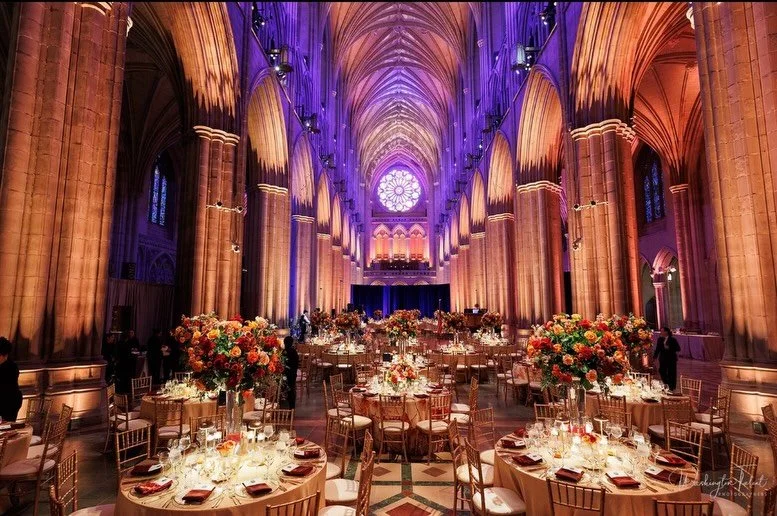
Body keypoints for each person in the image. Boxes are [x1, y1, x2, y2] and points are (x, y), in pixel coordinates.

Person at [0, 337, 23, 422]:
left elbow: (6, 390)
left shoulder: (12, 368)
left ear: (4, 355)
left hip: (9, 405)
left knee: (6, 428)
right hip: (5, 402)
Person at [654, 326, 680, 391]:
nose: (661, 332)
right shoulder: (660, 339)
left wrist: (669, 348)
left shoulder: (673, 339)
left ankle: (672, 387)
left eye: (662, 331)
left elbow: (678, 348)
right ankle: (666, 383)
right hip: (663, 358)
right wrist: (655, 357)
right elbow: (658, 349)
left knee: (671, 372)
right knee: (661, 370)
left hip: (671, 358)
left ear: (666, 332)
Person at [282, 336, 299, 409]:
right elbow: (296, 364)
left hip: (286, 374)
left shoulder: (284, 351)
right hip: (292, 374)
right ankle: (292, 407)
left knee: (289, 390)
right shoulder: (293, 351)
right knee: (291, 390)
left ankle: (288, 406)